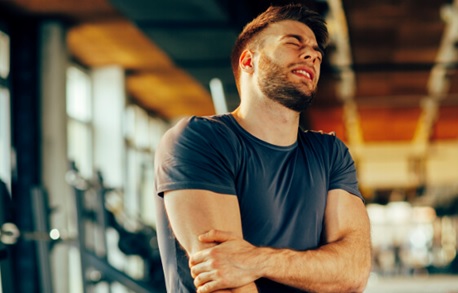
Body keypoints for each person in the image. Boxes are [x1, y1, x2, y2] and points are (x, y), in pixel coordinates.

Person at [154, 4, 371, 292]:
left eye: (317, 52)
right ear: (248, 61)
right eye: (293, 42)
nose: (312, 54)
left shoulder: (330, 154)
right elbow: (225, 278)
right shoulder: (200, 140)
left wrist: (259, 261)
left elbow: (353, 271)